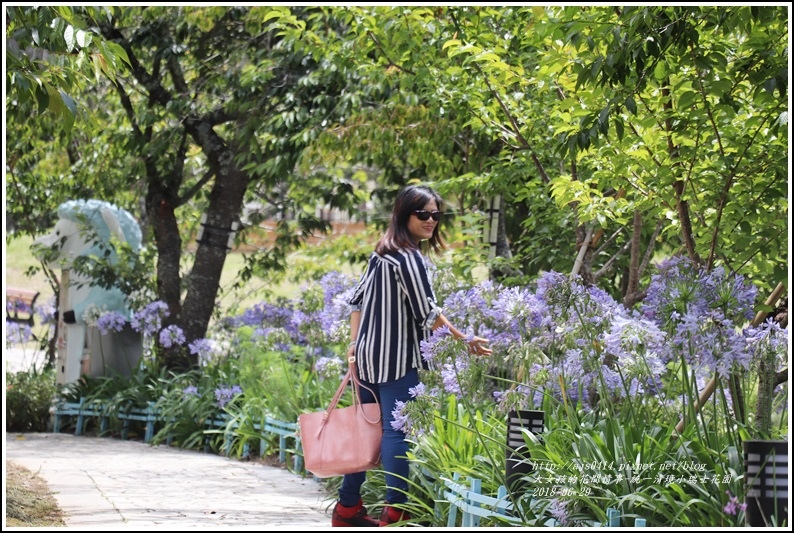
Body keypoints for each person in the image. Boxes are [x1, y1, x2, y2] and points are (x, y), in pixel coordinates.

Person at [331, 184, 492, 527]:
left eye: (436, 214)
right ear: (405, 214)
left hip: (365, 359)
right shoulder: (409, 258)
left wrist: (354, 344)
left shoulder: (382, 252)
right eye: (423, 214)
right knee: (395, 433)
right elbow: (428, 314)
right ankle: (395, 512)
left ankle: (347, 509)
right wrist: (465, 340)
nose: (431, 220)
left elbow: (356, 302)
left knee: (366, 430)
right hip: (397, 359)